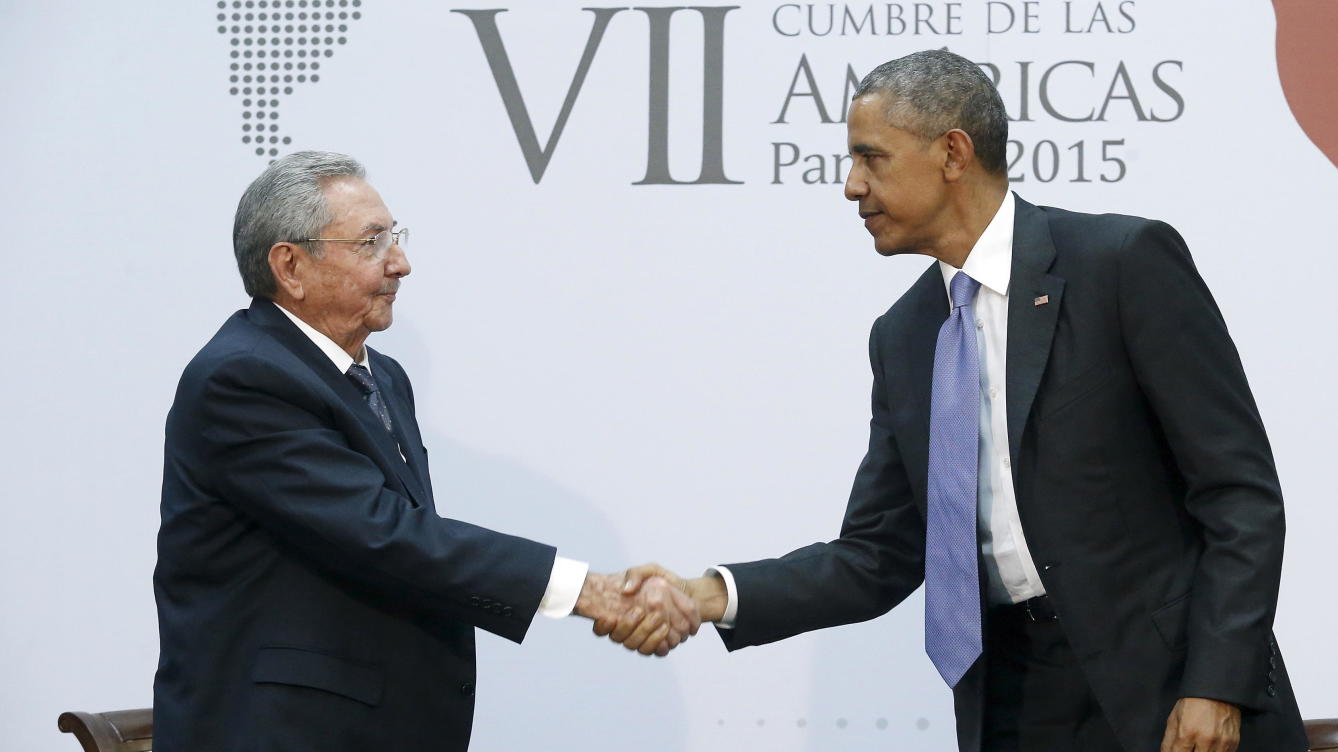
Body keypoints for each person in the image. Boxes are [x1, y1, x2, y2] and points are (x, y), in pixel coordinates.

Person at [620, 50, 1308, 752]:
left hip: (1169, 690)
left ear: (953, 152)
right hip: (1012, 702)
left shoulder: (1121, 263)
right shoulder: (904, 336)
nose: (852, 186)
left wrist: (1218, 683)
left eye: (871, 158)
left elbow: (1239, 495)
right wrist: (708, 595)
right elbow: (879, 553)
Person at [153, 151, 697, 752]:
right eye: (371, 242)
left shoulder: (383, 377)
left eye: (396, 237)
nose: (400, 263)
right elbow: (382, 532)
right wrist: (585, 590)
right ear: (291, 265)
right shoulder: (243, 379)